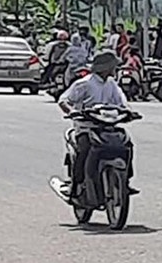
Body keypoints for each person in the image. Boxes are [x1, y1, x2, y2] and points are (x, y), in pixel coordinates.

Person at [57, 50, 135, 201]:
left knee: (127, 145)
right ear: (105, 68)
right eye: (113, 66)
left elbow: (122, 102)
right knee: (84, 150)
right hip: (86, 127)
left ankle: (125, 181)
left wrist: (129, 112)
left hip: (109, 126)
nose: (115, 69)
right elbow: (64, 100)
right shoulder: (84, 83)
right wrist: (72, 111)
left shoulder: (112, 84)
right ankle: (76, 185)